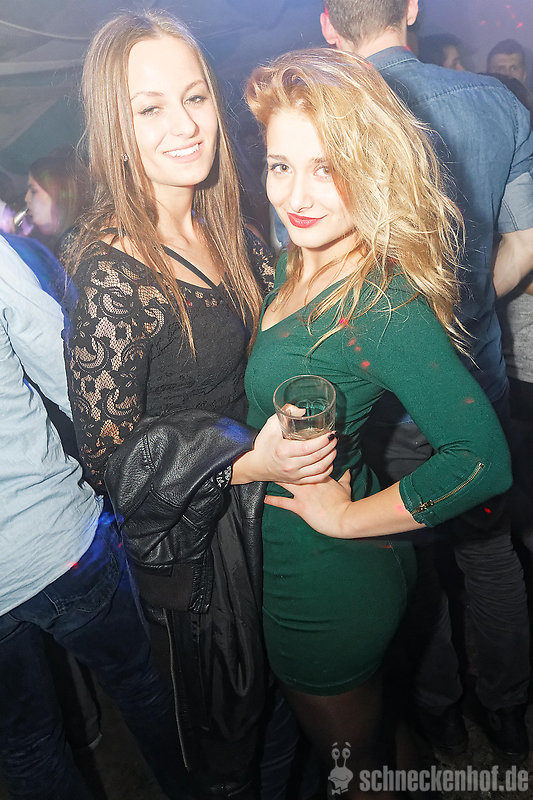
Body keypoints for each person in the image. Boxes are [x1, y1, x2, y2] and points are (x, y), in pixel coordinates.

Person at [62, 11, 335, 800]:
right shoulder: (112, 272)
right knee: (239, 754)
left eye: (194, 97)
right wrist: (244, 458)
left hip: (274, 524)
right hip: (200, 568)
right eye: (149, 108)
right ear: (115, 127)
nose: (184, 126)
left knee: (293, 726)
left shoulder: (232, 229)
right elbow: (110, 464)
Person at [244, 47, 511, 798]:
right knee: (371, 736)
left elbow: (480, 460)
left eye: (326, 168)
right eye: (280, 166)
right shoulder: (299, 260)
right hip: (327, 554)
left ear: (372, 168)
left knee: (350, 769)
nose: (296, 195)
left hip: (321, 578)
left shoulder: (379, 302)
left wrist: (343, 520)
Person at [321, 0, 533, 761]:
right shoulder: (492, 100)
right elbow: (526, 241)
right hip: (476, 383)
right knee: (488, 552)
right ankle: (507, 715)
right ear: (411, 6)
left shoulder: (327, 112)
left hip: (383, 403)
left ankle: (439, 717)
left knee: (413, 565)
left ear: (327, 24)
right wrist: (466, 303)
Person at [0, 234, 189, 800]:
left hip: (46, 542)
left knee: (26, 748)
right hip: (54, 537)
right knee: (145, 684)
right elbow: (69, 373)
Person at [24, 148, 90, 254]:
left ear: (58, 194)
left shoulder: (87, 245)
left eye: (33, 191)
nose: (26, 199)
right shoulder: (58, 247)